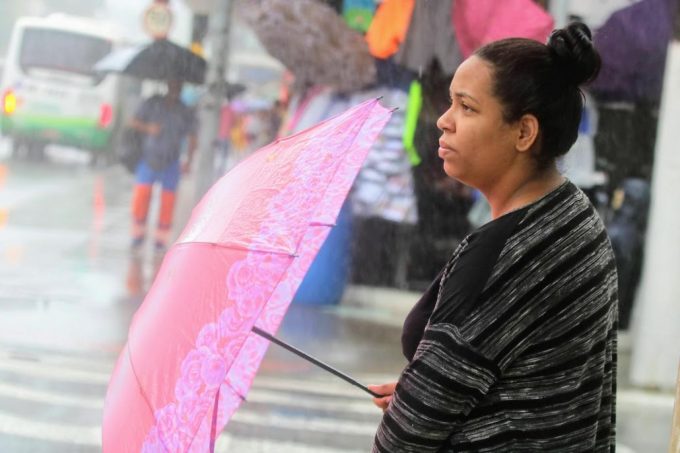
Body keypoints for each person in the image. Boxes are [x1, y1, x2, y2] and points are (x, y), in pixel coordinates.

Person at [368, 22, 618, 452]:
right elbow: (540, 385)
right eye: (450, 103)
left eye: (467, 107)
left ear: (524, 132)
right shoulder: (575, 216)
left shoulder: (503, 255)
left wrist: (419, 411)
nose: (443, 122)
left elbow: (404, 443)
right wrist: (427, 399)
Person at [128, 79, 198, 253]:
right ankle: (137, 236)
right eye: (173, 84)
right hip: (148, 158)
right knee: (141, 197)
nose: (175, 88)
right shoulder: (152, 103)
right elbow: (133, 122)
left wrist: (189, 161)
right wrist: (148, 128)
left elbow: (192, 137)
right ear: (168, 84)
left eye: (178, 86)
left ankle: (160, 240)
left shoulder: (184, 111)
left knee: (168, 201)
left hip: (171, 162)